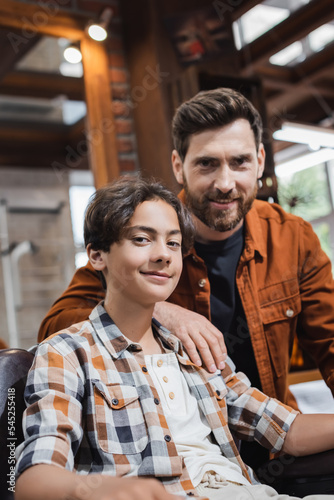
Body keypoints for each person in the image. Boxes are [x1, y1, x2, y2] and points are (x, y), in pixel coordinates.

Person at [15, 177, 334, 500]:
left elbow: (285, 430)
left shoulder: (194, 349)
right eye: (142, 239)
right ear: (97, 255)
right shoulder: (66, 353)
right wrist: (104, 491)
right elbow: (33, 482)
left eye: (173, 243)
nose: (163, 255)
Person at [38, 88, 334, 416]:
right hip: (182, 451)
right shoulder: (138, 234)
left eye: (240, 162)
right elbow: (55, 327)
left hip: (274, 438)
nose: (225, 182)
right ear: (179, 166)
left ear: (260, 161)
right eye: (207, 164)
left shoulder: (293, 237)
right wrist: (157, 310)